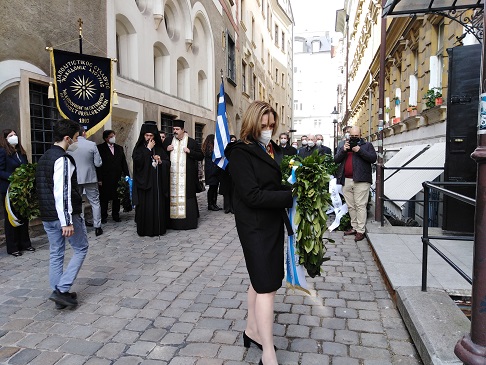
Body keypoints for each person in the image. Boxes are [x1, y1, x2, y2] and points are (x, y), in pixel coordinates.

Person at [225, 101, 293, 365]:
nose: (269, 129)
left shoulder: (269, 149)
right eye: (264, 125)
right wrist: (288, 196)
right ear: (253, 124)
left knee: (259, 280)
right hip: (254, 225)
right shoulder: (241, 153)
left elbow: (272, 181)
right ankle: (268, 352)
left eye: (272, 125)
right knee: (267, 285)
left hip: (270, 222)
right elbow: (251, 194)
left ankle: (251, 330)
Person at [36, 118, 89, 309]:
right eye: (75, 138)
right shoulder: (63, 159)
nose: (76, 142)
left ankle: (59, 292)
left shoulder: (44, 157)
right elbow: (62, 191)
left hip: (48, 215)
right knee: (81, 248)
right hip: (64, 216)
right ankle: (61, 289)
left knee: (56, 252)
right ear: (67, 138)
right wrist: (67, 221)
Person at [334, 126, 377, 242]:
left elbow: (373, 158)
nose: (353, 138)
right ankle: (354, 227)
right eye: (351, 136)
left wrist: (359, 150)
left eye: (355, 136)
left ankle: (360, 230)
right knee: (351, 205)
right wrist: (343, 150)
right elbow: (336, 159)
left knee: (360, 205)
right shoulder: (344, 145)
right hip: (346, 179)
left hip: (361, 180)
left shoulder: (367, 145)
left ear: (360, 135)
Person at [163, 120, 204, 230]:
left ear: (182, 130)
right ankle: (171, 224)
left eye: (177, 129)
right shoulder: (168, 141)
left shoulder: (191, 142)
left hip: (187, 178)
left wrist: (190, 152)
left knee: (187, 199)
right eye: (174, 129)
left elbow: (201, 156)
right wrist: (166, 149)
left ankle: (187, 224)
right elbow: (160, 154)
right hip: (171, 177)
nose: (175, 131)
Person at [132, 121, 170, 237]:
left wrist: (160, 161)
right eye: (146, 135)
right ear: (143, 135)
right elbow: (137, 162)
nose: (149, 138)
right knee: (145, 208)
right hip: (145, 185)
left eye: (151, 136)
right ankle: (145, 230)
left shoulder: (159, 148)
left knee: (157, 206)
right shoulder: (139, 148)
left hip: (157, 184)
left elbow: (168, 162)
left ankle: (158, 229)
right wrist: (148, 150)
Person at [0, 129, 34, 257]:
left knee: (23, 216)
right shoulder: (3, 152)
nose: (14, 137)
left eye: (15, 135)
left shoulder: (21, 152)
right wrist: (13, 178)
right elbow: (0, 170)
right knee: (11, 218)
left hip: (22, 190)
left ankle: (25, 243)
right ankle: (13, 247)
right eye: (10, 135)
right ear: (5, 138)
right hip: (9, 189)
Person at [68, 126, 103, 237]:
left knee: (78, 202)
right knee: (95, 202)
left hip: (75, 177)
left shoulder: (70, 146)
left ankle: (80, 224)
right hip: (90, 177)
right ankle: (97, 227)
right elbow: (98, 163)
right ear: (84, 133)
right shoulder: (91, 145)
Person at [97, 130, 130, 223]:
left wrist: (127, 175)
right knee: (104, 198)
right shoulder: (100, 148)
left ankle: (116, 215)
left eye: (114, 136)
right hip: (105, 178)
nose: (113, 138)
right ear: (106, 138)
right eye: (111, 136)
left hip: (117, 177)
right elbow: (98, 165)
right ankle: (103, 216)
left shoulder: (119, 148)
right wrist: (99, 178)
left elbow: (124, 162)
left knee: (116, 197)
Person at [202, 134, 221, 211]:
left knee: (215, 188)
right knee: (212, 188)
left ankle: (214, 203)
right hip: (211, 171)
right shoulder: (209, 149)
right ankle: (210, 204)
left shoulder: (211, 148)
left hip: (214, 171)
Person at [219, 134, 237, 214]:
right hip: (225, 173)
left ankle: (233, 207)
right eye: (231, 140)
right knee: (226, 192)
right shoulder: (224, 149)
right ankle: (227, 207)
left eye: (234, 140)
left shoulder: (237, 149)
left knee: (233, 191)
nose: (233, 141)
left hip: (234, 173)